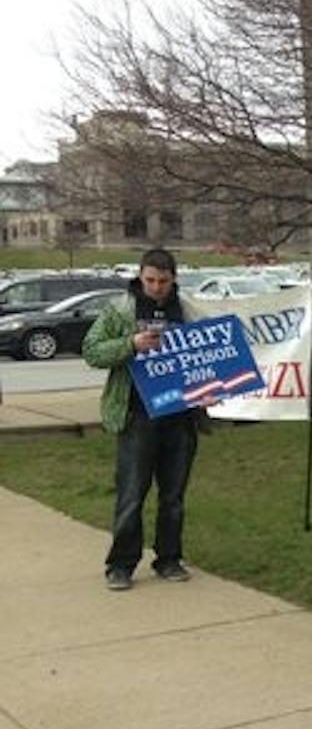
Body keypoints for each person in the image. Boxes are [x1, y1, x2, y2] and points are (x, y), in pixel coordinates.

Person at [82, 247, 199, 590]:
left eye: (163, 281)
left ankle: (169, 558)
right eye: (150, 280)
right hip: (137, 416)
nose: (157, 287)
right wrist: (131, 344)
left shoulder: (189, 309)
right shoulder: (120, 310)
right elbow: (91, 351)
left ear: (173, 278)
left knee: (173, 497)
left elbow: (210, 357)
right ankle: (120, 565)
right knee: (131, 495)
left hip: (180, 418)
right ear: (140, 276)